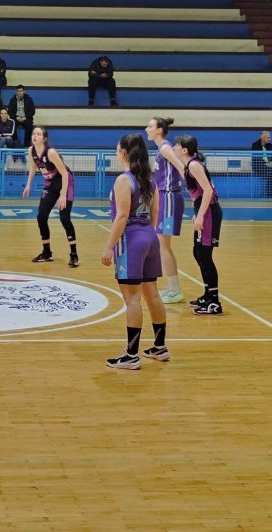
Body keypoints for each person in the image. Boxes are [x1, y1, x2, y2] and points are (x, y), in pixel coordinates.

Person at [101, 133, 168, 370]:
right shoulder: (150, 180)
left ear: (123, 153)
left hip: (131, 239)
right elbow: (156, 212)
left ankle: (131, 355)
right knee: (153, 294)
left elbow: (121, 216)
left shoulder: (124, 180)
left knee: (132, 298)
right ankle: (159, 347)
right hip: (149, 236)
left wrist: (109, 246)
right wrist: (146, 233)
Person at [173, 135, 224, 315]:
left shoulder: (194, 165)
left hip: (210, 213)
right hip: (204, 211)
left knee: (204, 255)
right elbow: (199, 194)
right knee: (198, 252)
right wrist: (197, 213)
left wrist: (201, 215)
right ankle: (208, 294)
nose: (174, 147)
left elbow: (208, 191)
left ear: (184, 150)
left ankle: (214, 302)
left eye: (177, 145)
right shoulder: (189, 166)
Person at [21, 127, 78, 267]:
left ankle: (74, 255)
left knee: (64, 218)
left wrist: (63, 195)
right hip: (50, 185)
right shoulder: (31, 150)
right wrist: (28, 184)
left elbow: (64, 174)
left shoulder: (51, 152)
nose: (35, 136)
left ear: (44, 138)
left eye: (38, 134)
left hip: (65, 183)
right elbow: (33, 167)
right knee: (41, 216)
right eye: (33, 134)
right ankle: (47, 252)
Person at [145, 116, 184, 304]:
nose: (147, 129)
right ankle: (173, 288)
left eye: (150, 126)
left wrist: (195, 191)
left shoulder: (165, 148)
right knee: (163, 246)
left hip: (169, 198)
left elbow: (182, 168)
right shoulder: (161, 149)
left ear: (159, 130)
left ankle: (175, 290)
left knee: (163, 246)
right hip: (163, 198)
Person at [250, 130, 272, 198]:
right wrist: (266, 164)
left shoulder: (271, 146)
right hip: (259, 166)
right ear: (263, 138)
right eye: (268, 137)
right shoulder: (255, 145)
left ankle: (269, 195)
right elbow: (255, 159)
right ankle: (269, 196)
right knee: (269, 173)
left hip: (270, 166)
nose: (270, 139)